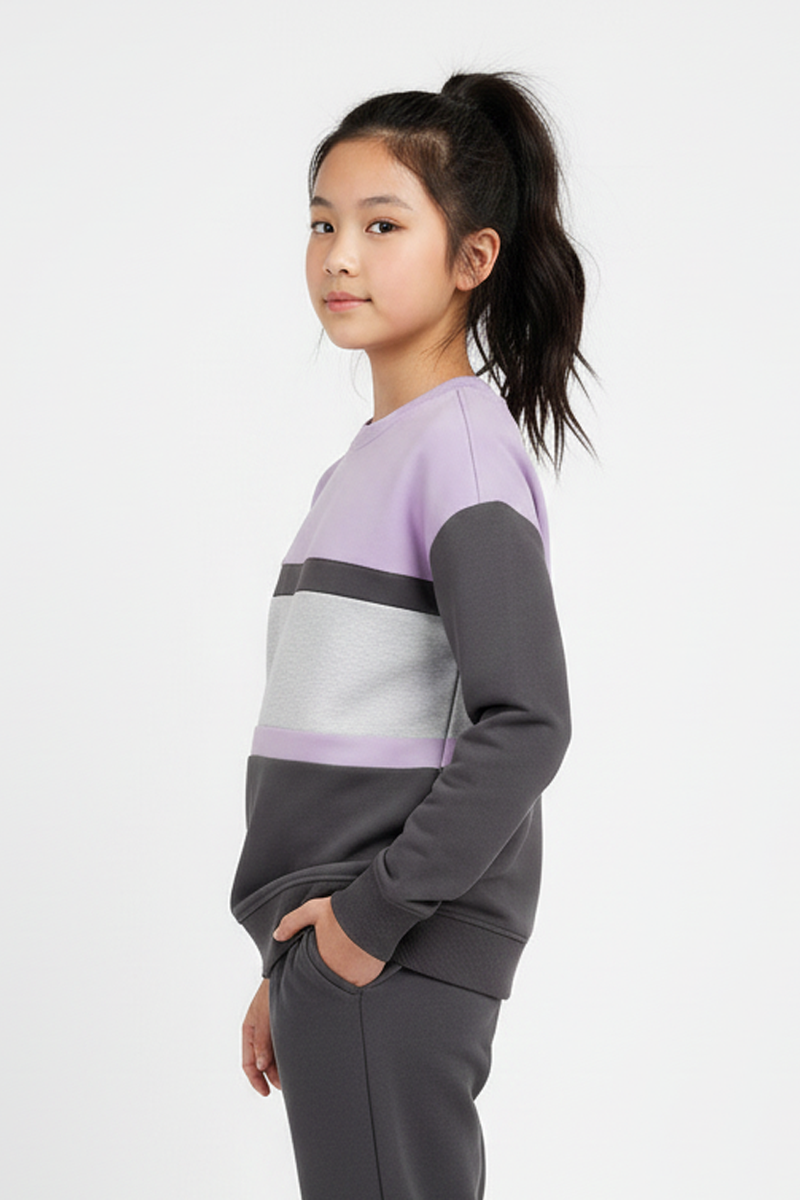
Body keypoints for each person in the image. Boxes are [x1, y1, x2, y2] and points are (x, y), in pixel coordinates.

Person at [230, 67, 596, 1200]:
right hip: (345, 942)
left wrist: (361, 926)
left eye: (382, 225)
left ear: (472, 258)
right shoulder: (375, 460)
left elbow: (526, 721)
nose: (339, 256)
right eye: (322, 224)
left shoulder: (460, 455)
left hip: (393, 940)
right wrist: (291, 957)